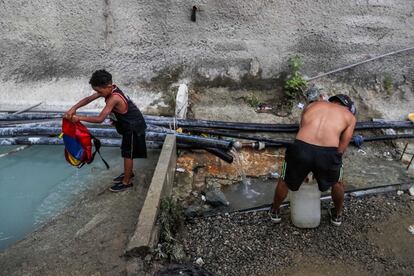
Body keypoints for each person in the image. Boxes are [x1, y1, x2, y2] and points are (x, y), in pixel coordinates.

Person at [270, 94, 356, 226]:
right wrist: (329, 164)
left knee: (285, 180)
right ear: (347, 107)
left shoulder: (312, 105)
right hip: (328, 153)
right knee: (337, 183)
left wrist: (307, 168)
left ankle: (275, 211)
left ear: (332, 100)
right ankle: (337, 216)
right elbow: (341, 148)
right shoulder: (349, 117)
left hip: (301, 148)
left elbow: (302, 129)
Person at [64, 70, 147, 192]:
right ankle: (129, 173)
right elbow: (88, 99)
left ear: (108, 86)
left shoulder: (114, 98)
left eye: (99, 91)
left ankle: (126, 182)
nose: (97, 93)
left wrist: (79, 118)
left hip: (133, 127)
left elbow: (99, 119)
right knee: (126, 151)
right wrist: (73, 108)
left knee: (128, 154)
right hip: (127, 126)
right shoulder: (109, 90)